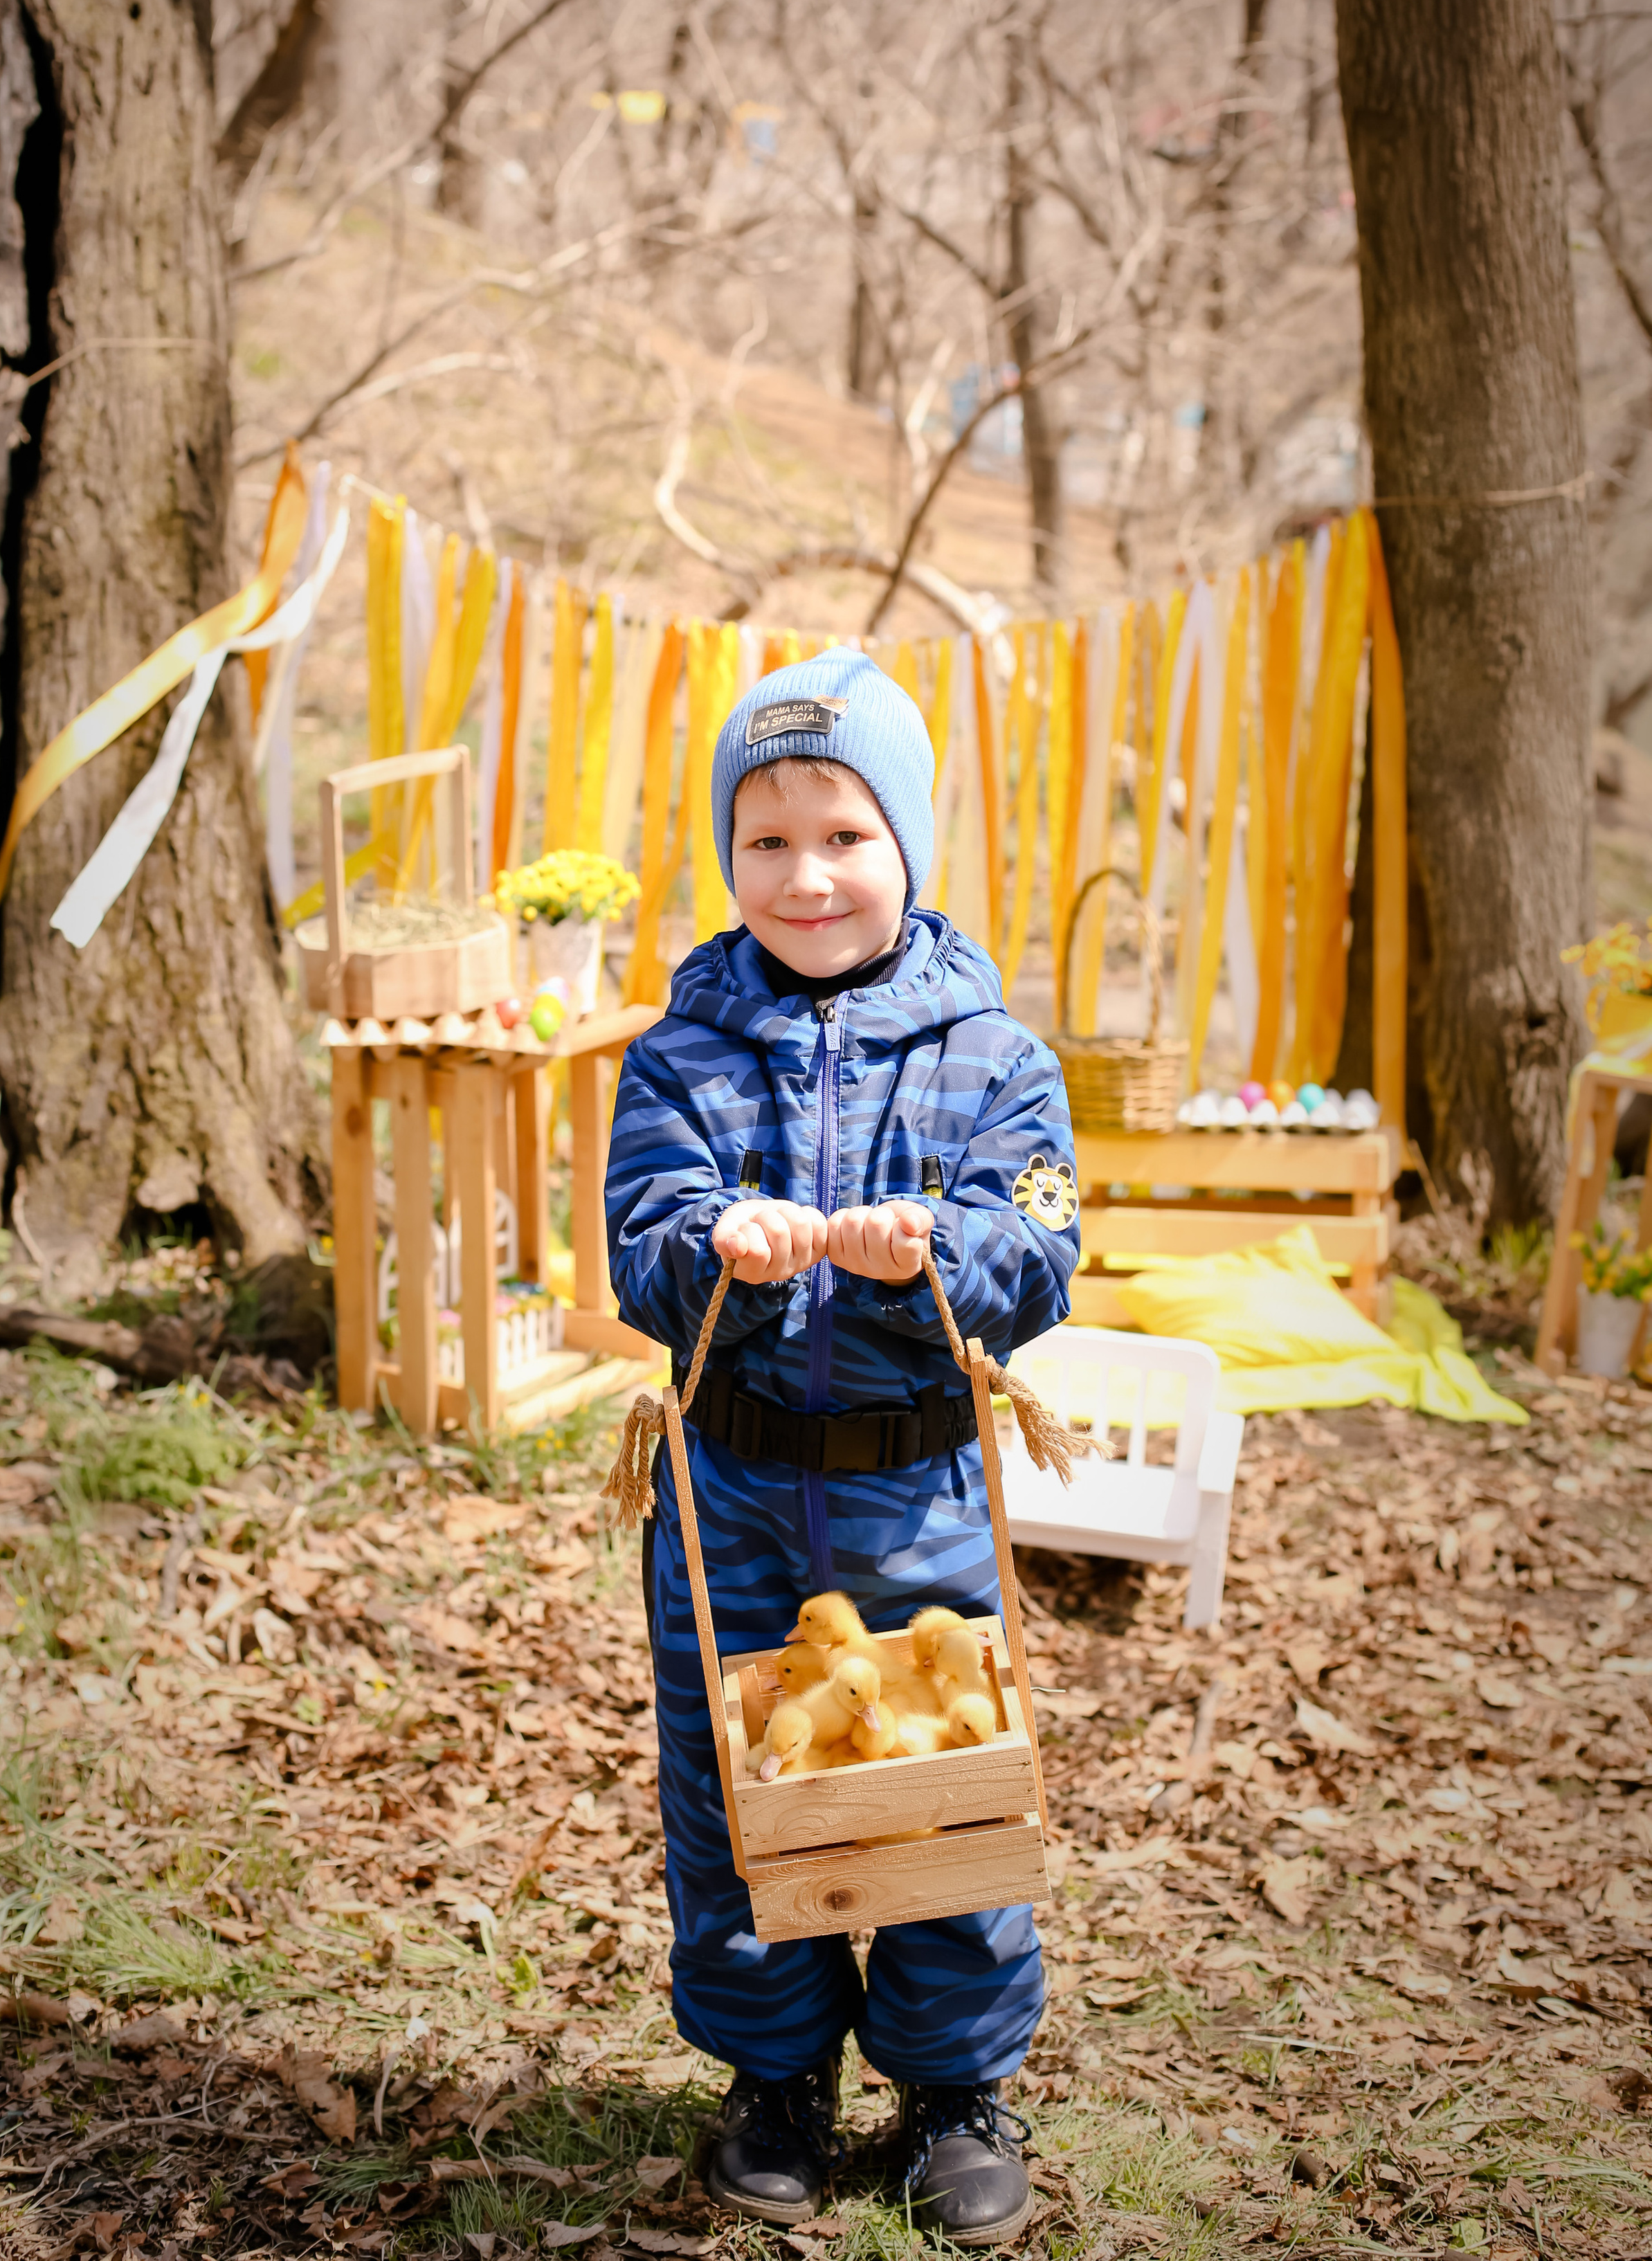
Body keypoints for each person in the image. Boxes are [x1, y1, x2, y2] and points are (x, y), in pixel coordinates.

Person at [606, 648, 1078, 2246]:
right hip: (729, 1484)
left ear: (910, 847)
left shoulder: (995, 1056)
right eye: (765, 842)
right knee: (740, 1780)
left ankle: (951, 2090)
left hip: (917, 1488)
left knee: (931, 1781)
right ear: (727, 859)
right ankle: (775, 2073)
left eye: (844, 837)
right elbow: (639, 1241)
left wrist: (931, 1246)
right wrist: (712, 1242)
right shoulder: (679, 1053)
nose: (803, 878)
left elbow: (1039, 1245)